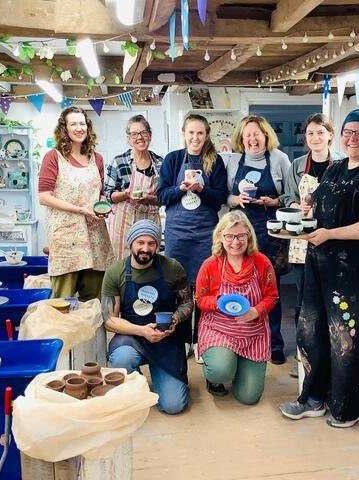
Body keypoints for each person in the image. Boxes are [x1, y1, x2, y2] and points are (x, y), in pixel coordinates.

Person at [280, 108, 359, 427]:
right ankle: (314, 398)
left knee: (348, 339)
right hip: (322, 267)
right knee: (312, 332)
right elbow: (319, 204)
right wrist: (309, 209)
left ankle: (346, 409)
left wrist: (331, 233)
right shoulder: (334, 170)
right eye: (349, 131)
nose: (353, 138)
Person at [101, 220, 193, 415]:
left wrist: (175, 319)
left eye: (151, 243)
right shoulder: (115, 272)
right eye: (140, 242)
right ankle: (137, 384)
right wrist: (141, 331)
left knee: (173, 406)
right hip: (132, 337)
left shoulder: (172, 268)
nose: (145, 248)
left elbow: (187, 302)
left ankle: (168, 379)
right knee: (122, 357)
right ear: (131, 243)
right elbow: (109, 319)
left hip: (166, 338)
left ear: (157, 245)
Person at [157, 114, 228, 361]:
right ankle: (183, 339)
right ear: (184, 133)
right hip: (178, 234)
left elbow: (220, 198)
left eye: (200, 133)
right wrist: (180, 189)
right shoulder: (173, 159)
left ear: (207, 135)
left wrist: (202, 190)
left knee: (203, 288)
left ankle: (201, 340)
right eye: (191, 133)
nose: (195, 138)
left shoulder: (215, 161)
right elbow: (161, 196)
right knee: (180, 288)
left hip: (205, 233)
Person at [282, 113, 343, 377]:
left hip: (332, 238)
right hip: (301, 239)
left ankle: (331, 357)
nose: (315, 138)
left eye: (320, 132)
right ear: (305, 138)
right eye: (310, 133)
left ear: (330, 135)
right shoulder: (297, 165)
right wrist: (299, 205)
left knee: (330, 299)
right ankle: (303, 355)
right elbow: (286, 197)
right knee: (304, 300)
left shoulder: (341, 165)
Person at [227, 115, 291, 365]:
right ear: (241, 139)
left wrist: (273, 201)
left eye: (257, 134)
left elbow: (290, 195)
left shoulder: (279, 159)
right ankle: (243, 340)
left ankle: (274, 343)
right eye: (247, 135)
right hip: (240, 232)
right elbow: (225, 196)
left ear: (266, 135)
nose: (252, 139)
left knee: (269, 288)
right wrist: (237, 200)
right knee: (241, 285)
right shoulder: (233, 161)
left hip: (270, 231)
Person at [195, 211, 278, 403]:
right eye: (229, 236)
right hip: (219, 329)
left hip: (252, 332)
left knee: (249, 397)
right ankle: (216, 373)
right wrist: (220, 303)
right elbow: (200, 299)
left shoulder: (261, 262)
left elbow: (272, 296)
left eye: (241, 235)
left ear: (249, 236)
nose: (235, 242)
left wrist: (255, 311)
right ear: (220, 237)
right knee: (220, 371)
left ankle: (238, 364)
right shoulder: (211, 265)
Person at [39, 106, 113, 300]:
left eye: (82, 124)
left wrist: (103, 207)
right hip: (66, 241)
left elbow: (101, 194)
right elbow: (44, 196)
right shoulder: (53, 157)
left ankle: (93, 332)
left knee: (95, 303)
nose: (79, 128)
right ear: (65, 128)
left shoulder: (97, 158)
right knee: (62, 304)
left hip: (96, 238)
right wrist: (80, 209)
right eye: (74, 124)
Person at [105, 115, 163, 260]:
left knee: (148, 263)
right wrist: (126, 194)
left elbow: (164, 197)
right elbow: (108, 195)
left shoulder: (161, 163)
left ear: (149, 135)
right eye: (134, 134)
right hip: (123, 223)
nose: (140, 137)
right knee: (122, 264)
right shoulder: (119, 162)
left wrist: (149, 198)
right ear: (129, 139)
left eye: (143, 133)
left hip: (150, 220)